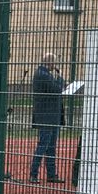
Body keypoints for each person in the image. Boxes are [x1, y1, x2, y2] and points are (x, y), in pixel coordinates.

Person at [30, 52, 65, 185]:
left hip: (52, 115)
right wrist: (60, 77)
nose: (55, 65)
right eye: (54, 63)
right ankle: (33, 174)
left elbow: (55, 89)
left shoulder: (46, 74)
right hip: (46, 116)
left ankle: (51, 174)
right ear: (50, 63)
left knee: (51, 147)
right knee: (43, 145)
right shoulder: (42, 75)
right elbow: (57, 89)